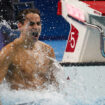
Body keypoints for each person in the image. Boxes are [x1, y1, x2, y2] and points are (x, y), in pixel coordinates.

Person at [0, 8, 58, 90]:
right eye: (31, 24)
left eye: (38, 23)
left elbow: (55, 84)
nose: (36, 27)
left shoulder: (47, 50)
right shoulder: (9, 52)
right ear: (20, 26)